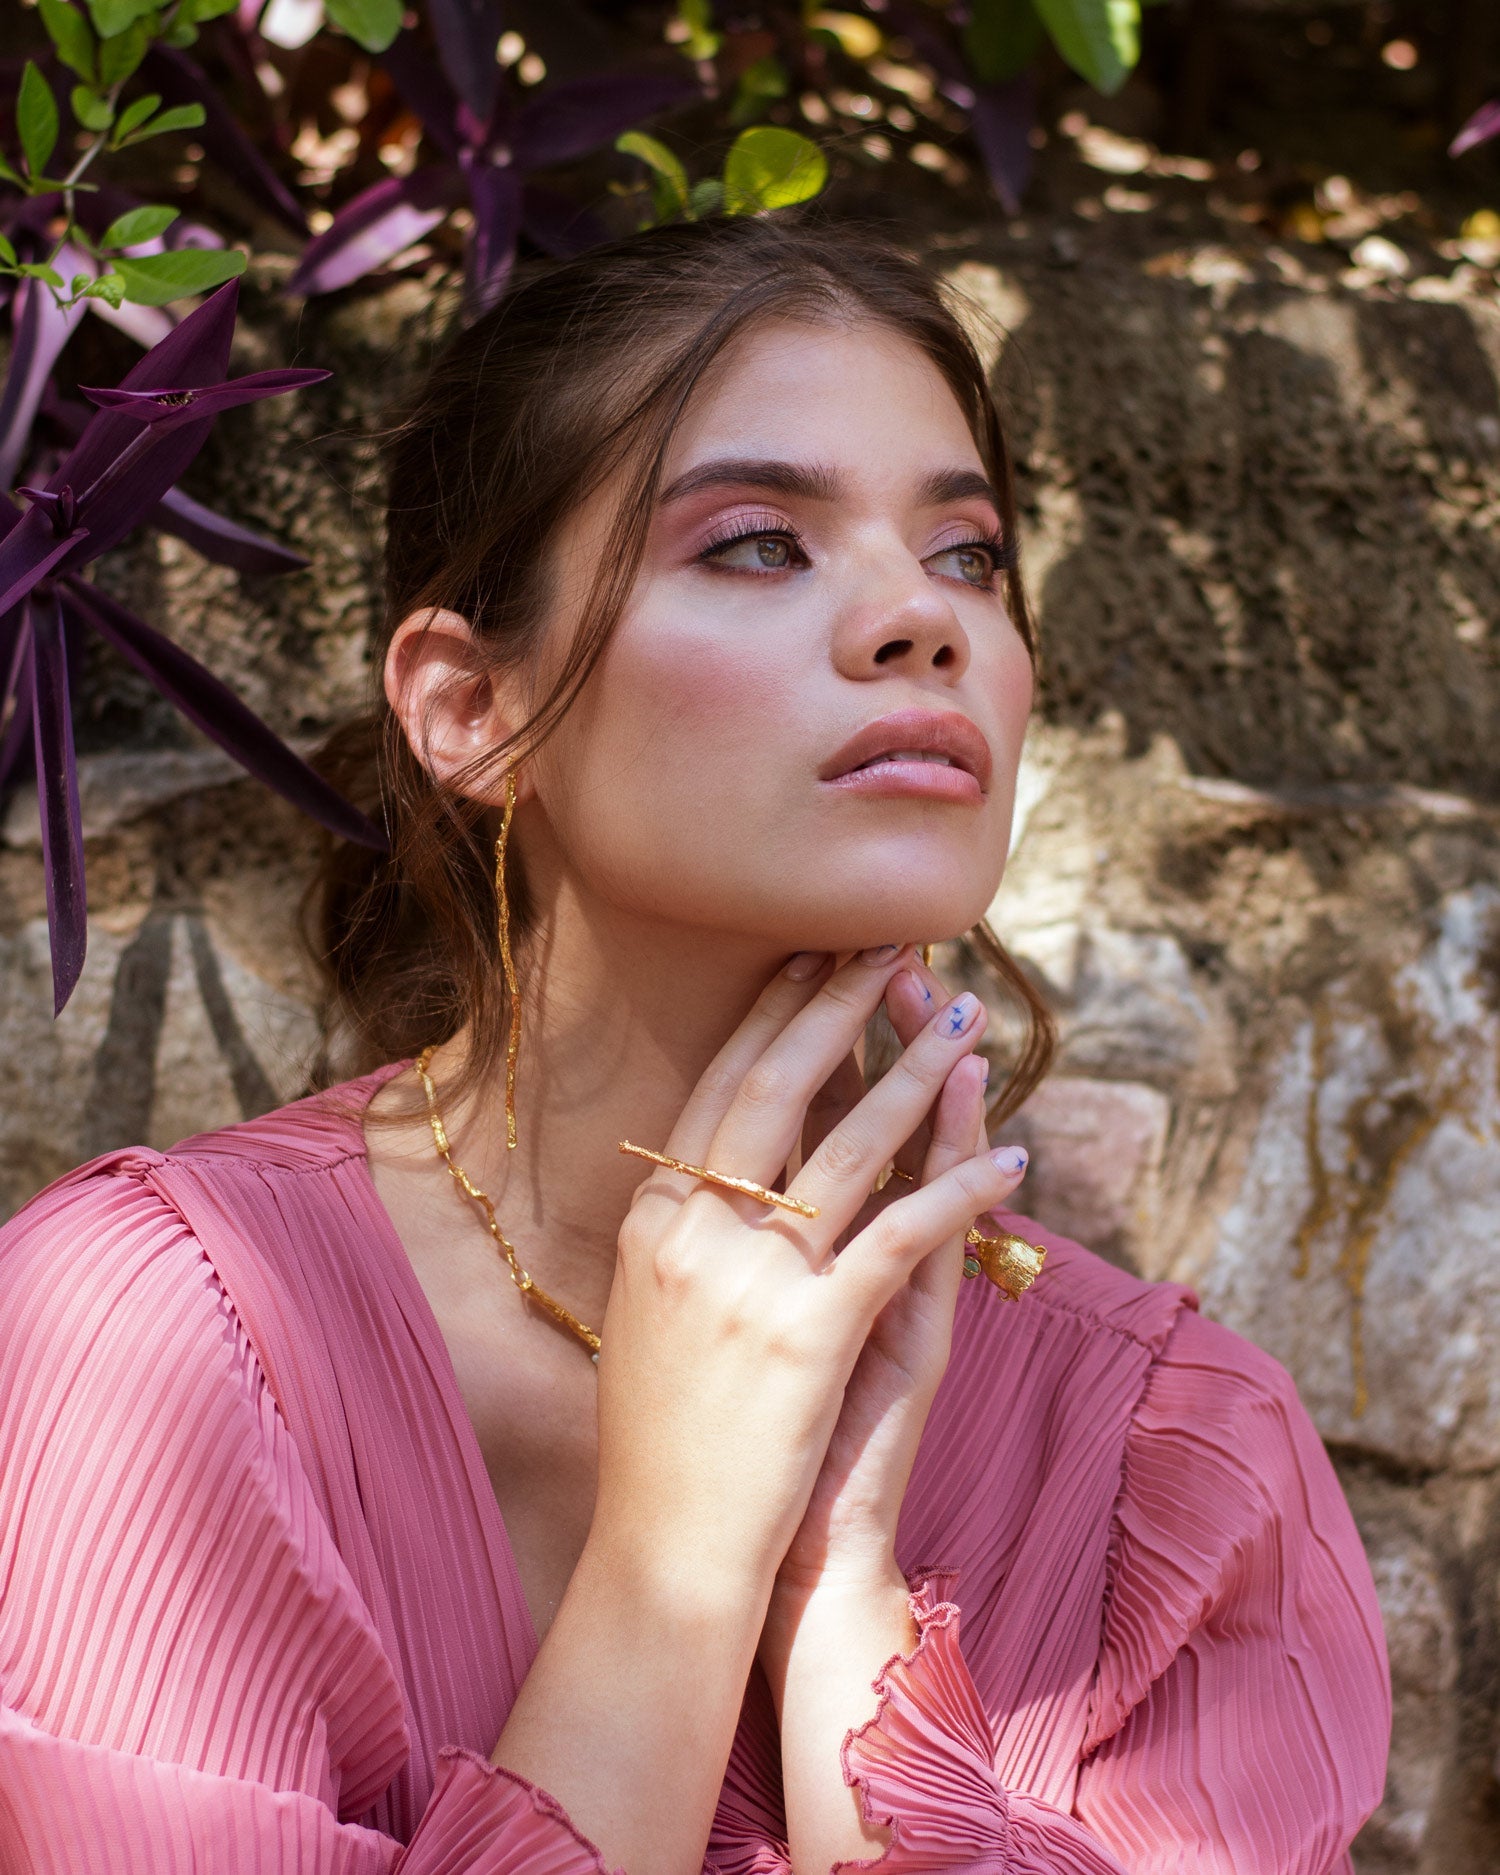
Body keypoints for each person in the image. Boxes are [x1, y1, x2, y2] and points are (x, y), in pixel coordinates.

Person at [0, 214, 1389, 1874]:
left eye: (967, 556)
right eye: (757, 544)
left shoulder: (1182, 1464)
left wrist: (843, 1588)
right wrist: (675, 1561)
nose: (921, 619)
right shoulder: (157, 1342)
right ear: (471, 708)